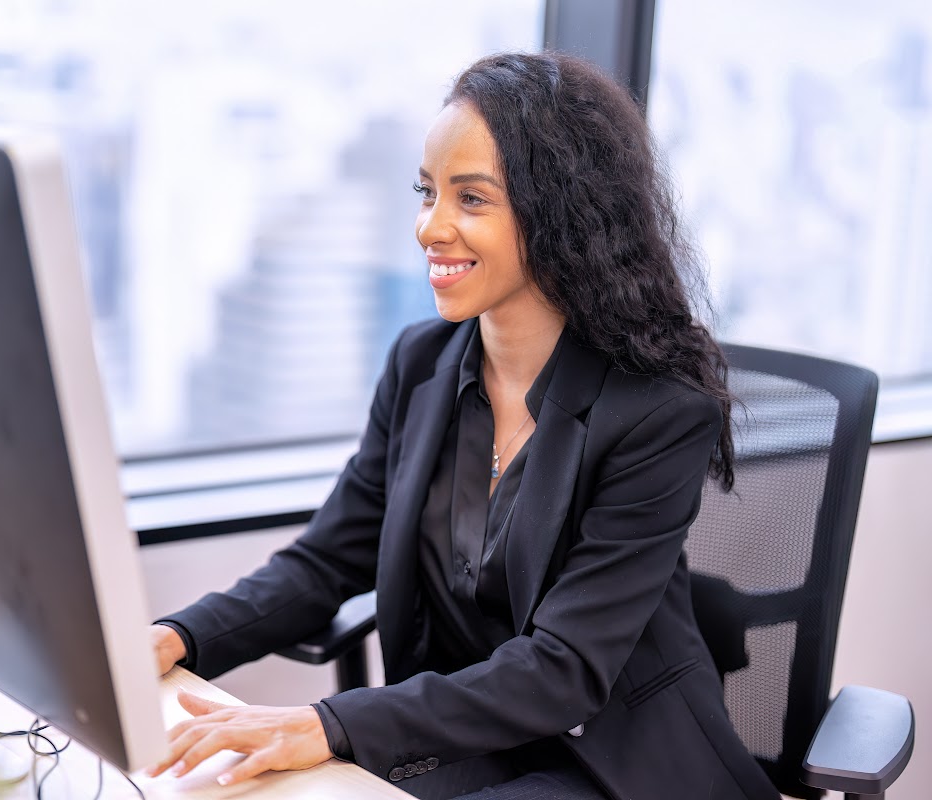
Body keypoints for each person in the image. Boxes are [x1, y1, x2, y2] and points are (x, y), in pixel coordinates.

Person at [144, 51, 781, 800]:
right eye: (427, 193)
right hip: (461, 743)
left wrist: (324, 723)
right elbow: (324, 562)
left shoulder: (659, 413)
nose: (429, 227)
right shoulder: (422, 365)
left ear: (559, 214)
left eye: (471, 199)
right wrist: (176, 637)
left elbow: (565, 669)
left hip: (609, 761)